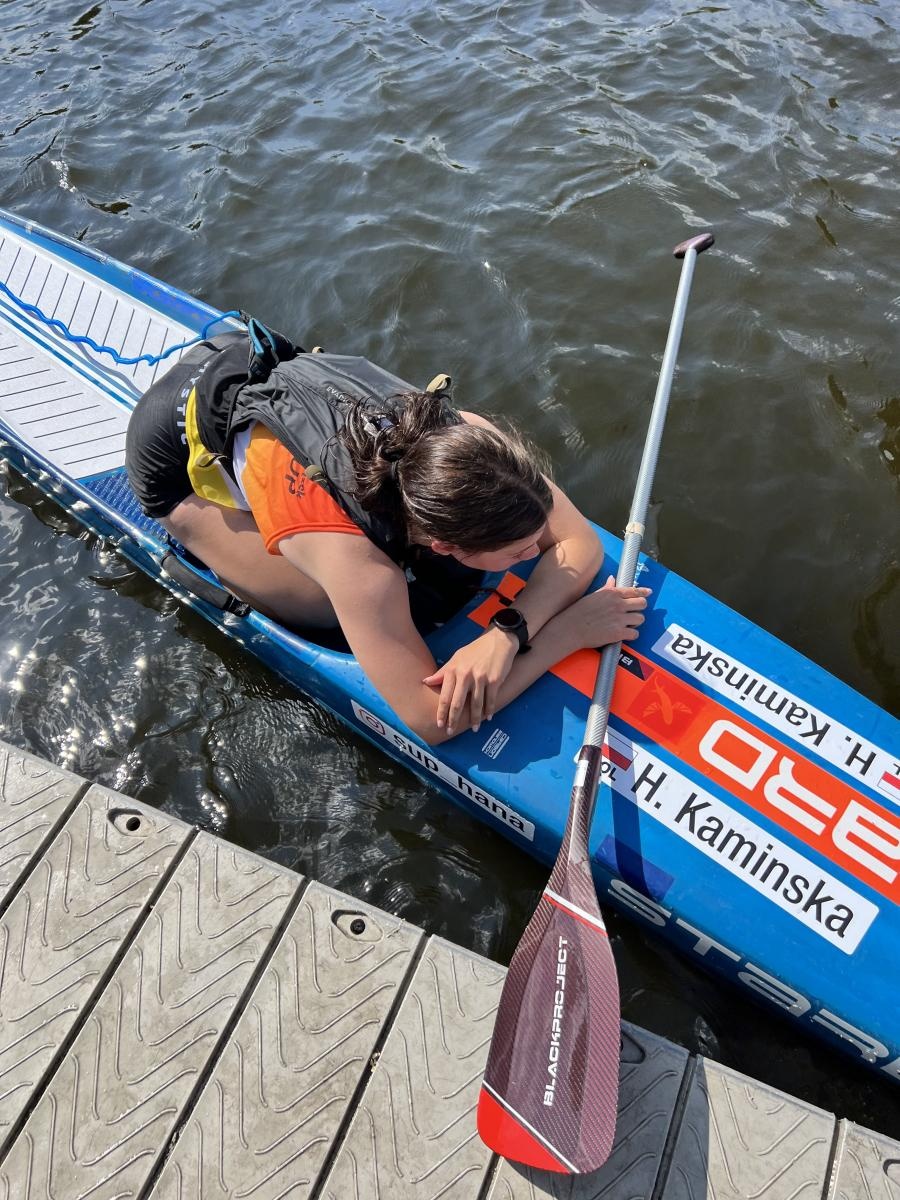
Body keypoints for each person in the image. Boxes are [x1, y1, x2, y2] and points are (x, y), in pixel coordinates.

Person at [125, 329, 650, 744]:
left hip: (256, 363)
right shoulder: (357, 565)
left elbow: (581, 544)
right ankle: (199, 523)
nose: (537, 550)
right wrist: (566, 634)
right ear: (445, 546)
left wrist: (507, 632)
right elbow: (430, 721)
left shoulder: (472, 439)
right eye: (517, 551)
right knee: (321, 607)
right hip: (171, 446)